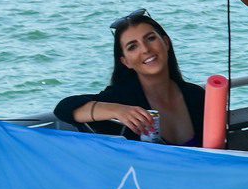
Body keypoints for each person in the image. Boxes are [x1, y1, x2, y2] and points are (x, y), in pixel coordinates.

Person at [56, 10, 207, 145]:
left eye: (150, 38)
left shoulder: (197, 95)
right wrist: (116, 110)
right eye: (132, 47)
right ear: (125, 61)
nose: (146, 49)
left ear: (166, 43)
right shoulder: (122, 98)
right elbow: (64, 108)